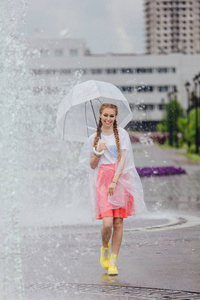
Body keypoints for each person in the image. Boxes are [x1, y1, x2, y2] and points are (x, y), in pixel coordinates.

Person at [80, 103, 145, 276]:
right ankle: (104, 247)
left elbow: (123, 159)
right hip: (102, 180)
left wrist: (115, 180)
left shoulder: (121, 134)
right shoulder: (94, 138)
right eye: (105, 115)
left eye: (111, 116)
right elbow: (92, 165)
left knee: (118, 222)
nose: (108, 119)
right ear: (100, 116)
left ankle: (113, 262)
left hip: (120, 179)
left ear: (115, 117)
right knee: (107, 223)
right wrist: (98, 152)